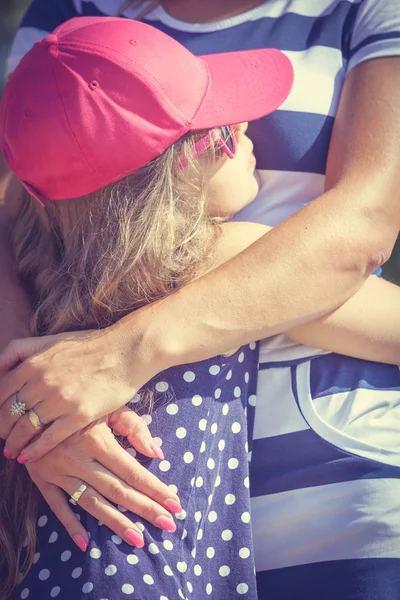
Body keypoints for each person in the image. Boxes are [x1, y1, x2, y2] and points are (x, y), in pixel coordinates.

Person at [0, 0, 400, 597]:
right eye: (224, 125)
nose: (248, 127)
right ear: (178, 168)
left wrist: (32, 408)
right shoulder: (229, 253)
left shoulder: (50, 286)